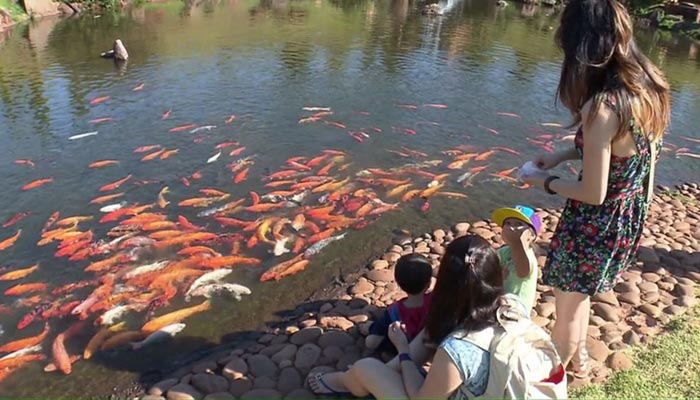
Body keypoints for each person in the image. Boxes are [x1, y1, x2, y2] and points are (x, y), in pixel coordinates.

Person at [521, 0, 670, 379]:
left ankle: (551, 380)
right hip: (625, 218)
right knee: (580, 293)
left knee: (567, 306)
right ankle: (579, 359)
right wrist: (561, 154)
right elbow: (624, 152)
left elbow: (594, 191)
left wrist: (545, 182)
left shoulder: (602, 106)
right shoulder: (648, 86)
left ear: (582, 46)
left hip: (594, 224)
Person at [308, 235, 506, 398]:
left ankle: (346, 381)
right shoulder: (509, 307)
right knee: (428, 335)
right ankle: (361, 377)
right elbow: (428, 339)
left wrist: (402, 349)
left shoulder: (458, 351)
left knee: (365, 367)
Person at [365, 254, 433, 357]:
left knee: (370, 340)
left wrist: (370, 328)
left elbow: (378, 332)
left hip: (403, 344)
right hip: (426, 345)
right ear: (429, 283)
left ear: (398, 284)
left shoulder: (394, 311)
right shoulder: (436, 301)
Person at [491, 205, 541, 310]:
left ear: (531, 235)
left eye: (519, 224)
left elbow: (522, 271)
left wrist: (517, 243)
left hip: (517, 312)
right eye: (508, 223)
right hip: (500, 304)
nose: (511, 227)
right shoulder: (504, 251)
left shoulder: (528, 256)